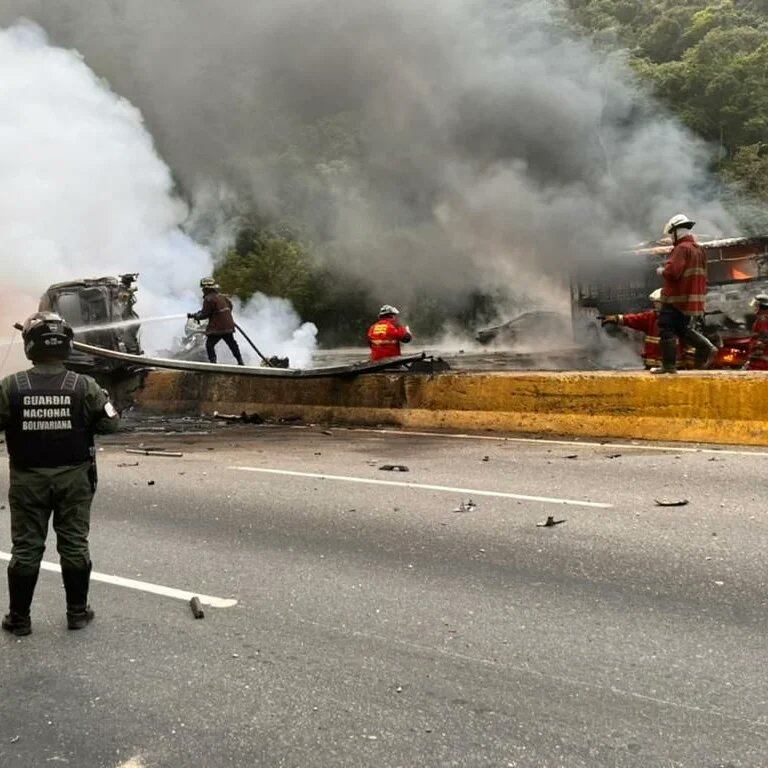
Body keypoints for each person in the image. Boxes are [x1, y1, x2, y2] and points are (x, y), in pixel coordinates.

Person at [0, 312, 120, 636]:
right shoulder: (84, 385)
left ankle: (19, 619)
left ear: (30, 346)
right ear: (66, 345)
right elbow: (111, 424)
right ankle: (77, 614)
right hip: (74, 480)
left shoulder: (11, 386)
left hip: (28, 481)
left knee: (26, 548)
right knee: (74, 544)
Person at [652, 213, 716, 374]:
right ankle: (706, 347)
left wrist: (661, 270)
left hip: (675, 299)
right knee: (681, 328)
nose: (670, 237)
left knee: (666, 326)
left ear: (676, 231)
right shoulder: (699, 249)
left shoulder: (681, 248)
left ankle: (668, 366)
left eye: (671, 234)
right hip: (690, 300)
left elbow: (673, 272)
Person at [601, 289, 668, 369]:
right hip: (652, 364)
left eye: (657, 302)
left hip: (670, 364)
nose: (654, 304)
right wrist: (616, 318)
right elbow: (635, 319)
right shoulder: (651, 317)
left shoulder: (674, 318)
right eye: (654, 302)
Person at [188, 277, 244, 365]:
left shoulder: (208, 299)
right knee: (232, 344)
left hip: (217, 327)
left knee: (209, 345)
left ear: (207, 289)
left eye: (203, 289)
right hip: (228, 325)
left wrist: (196, 317)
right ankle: (240, 361)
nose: (202, 290)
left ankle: (213, 364)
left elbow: (204, 314)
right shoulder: (222, 297)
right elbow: (230, 306)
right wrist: (224, 315)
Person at [746, 294, 768, 371]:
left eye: (757, 307)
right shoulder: (759, 320)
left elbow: (762, 339)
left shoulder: (763, 320)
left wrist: (757, 344)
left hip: (761, 364)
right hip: (758, 362)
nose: (756, 310)